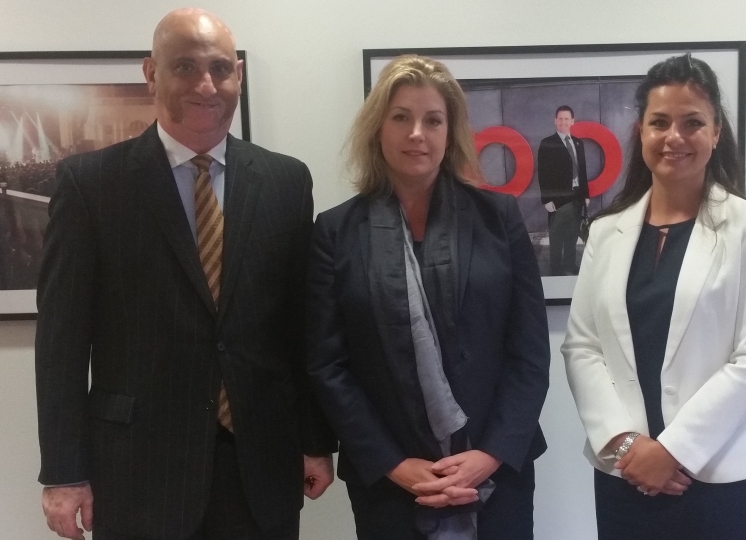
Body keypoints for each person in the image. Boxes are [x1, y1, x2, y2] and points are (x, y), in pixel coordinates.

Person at [35, 9, 336, 540]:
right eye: (185, 67)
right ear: (151, 73)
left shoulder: (287, 181)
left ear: (237, 75)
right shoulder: (90, 185)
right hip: (137, 471)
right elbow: (61, 342)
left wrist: (315, 439)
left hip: (260, 467)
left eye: (220, 68)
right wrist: (63, 473)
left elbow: (300, 326)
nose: (206, 84)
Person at [306, 55, 550, 540]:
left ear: (450, 131)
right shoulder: (336, 232)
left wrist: (488, 455)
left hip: (495, 473)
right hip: (391, 482)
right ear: (379, 129)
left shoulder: (498, 218)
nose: (417, 133)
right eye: (401, 117)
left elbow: (529, 352)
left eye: (432, 119)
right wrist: (396, 465)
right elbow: (327, 365)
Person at [561, 53, 746, 540]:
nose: (675, 137)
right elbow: (582, 347)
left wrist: (673, 451)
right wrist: (626, 448)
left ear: (716, 132)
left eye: (693, 123)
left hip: (729, 481)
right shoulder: (605, 233)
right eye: (659, 122)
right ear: (641, 130)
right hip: (628, 480)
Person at [537, 105, 590, 275]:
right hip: (558, 200)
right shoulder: (547, 143)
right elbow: (543, 173)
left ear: (572, 121)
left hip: (577, 197)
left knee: (572, 235)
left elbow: (583, 170)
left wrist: (586, 194)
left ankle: (569, 265)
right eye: (560, 119)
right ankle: (555, 269)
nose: (563, 122)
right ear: (555, 121)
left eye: (567, 119)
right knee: (557, 237)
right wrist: (546, 200)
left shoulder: (578, 143)